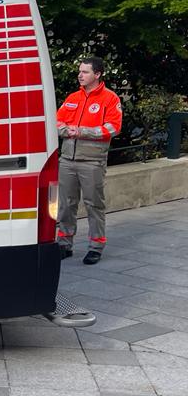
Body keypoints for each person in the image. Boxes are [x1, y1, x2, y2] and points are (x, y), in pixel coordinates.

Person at [56, 56, 123, 265]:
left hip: (92, 161)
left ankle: (96, 246)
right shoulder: (73, 97)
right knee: (66, 204)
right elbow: (57, 121)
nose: (80, 75)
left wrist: (82, 132)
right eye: (80, 71)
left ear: (97, 74)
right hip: (67, 159)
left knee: (94, 205)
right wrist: (68, 130)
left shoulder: (110, 99)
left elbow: (113, 128)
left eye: (85, 72)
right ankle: (64, 243)